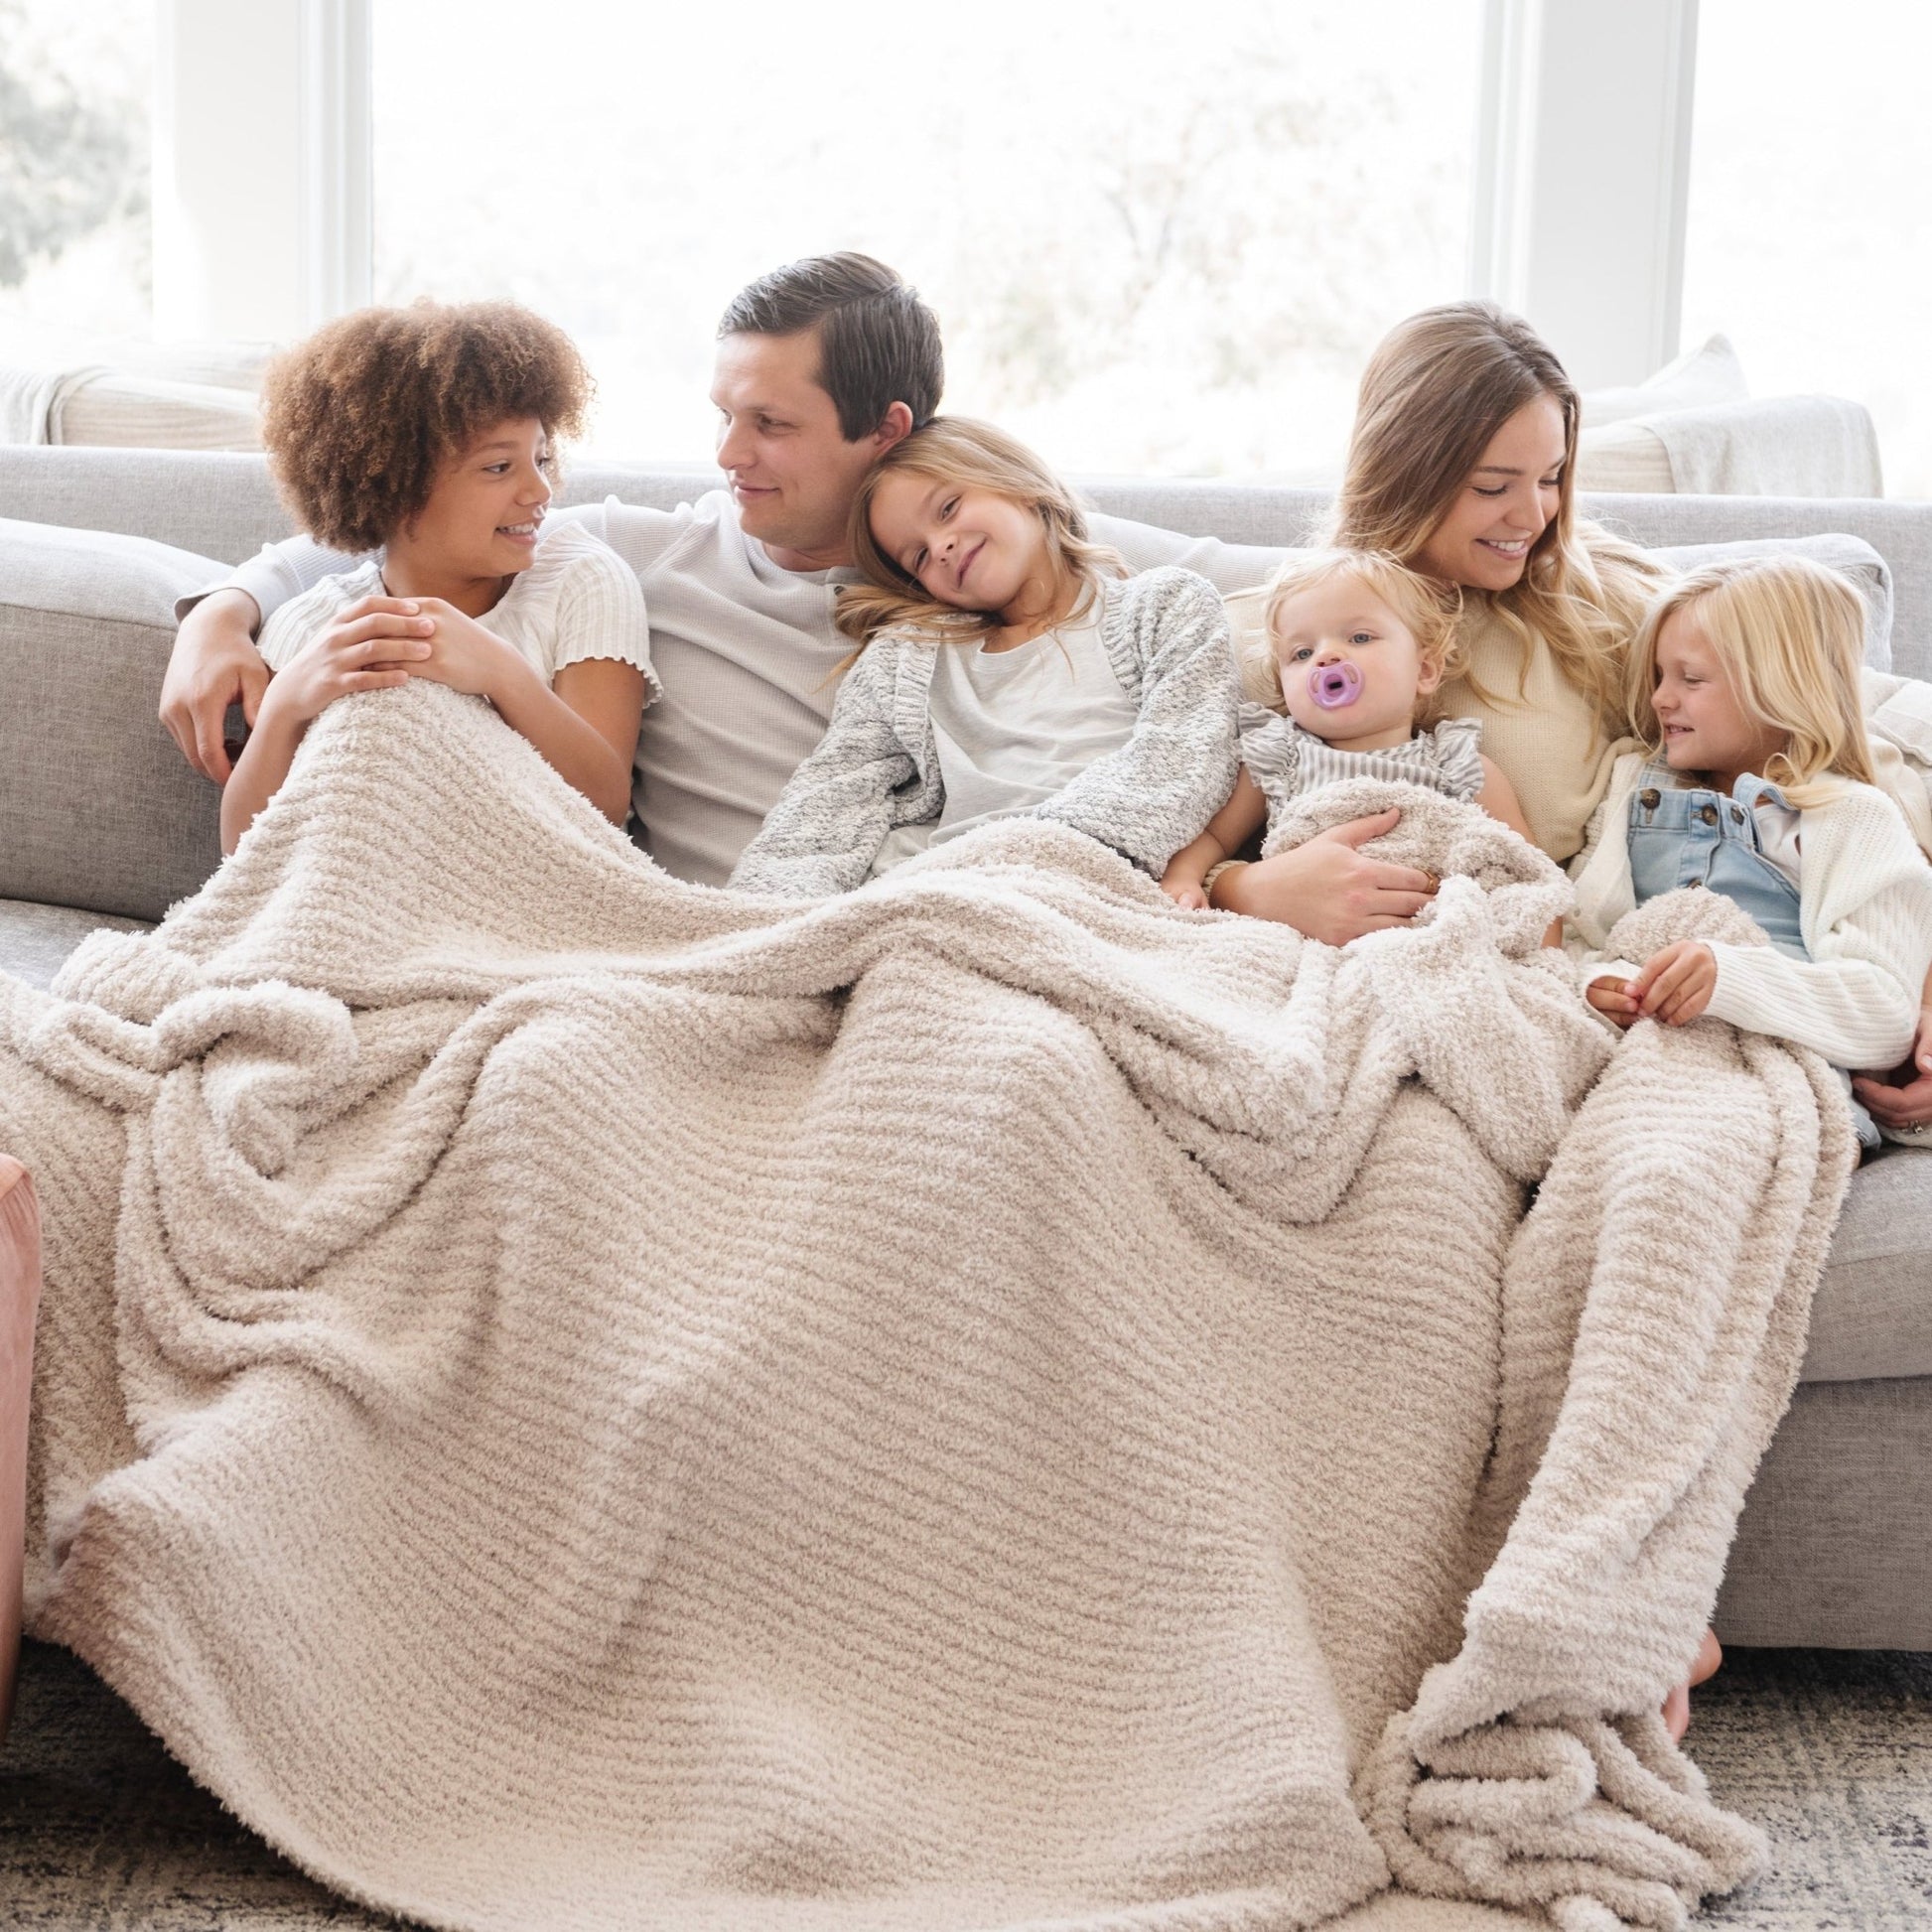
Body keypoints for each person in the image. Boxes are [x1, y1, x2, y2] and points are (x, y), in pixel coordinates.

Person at [163, 253, 1279, 890]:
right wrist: (222, 608)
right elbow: (413, 523)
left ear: (885, 431)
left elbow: (1300, 592)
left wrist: (1232, 877)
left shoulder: (999, 550)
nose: (726, 456)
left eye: (771, 424)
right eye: (723, 415)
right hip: (694, 938)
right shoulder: (641, 551)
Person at [1204, 299, 1932, 1133]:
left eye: (1551, 479)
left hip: (1542, 986)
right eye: (1492, 487)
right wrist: (1249, 889)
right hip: (1339, 981)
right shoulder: (1288, 632)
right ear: (1405, 468)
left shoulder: (1603, 602)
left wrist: (1925, 985)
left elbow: (1851, 737)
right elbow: (1161, 840)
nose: (1534, 516)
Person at [730, 418, 1236, 896]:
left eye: (947, 509)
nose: (942, 547)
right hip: (926, 888)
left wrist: (1041, 859)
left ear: (1015, 482)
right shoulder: (906, 658)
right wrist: (762, 914)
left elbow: (1186, 760)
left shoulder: (1165, 606)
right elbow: (830, 798)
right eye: (919, 556)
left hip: (1083, 881)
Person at [222, 301, 653, 853]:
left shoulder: (580, 583)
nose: (540, 492)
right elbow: (242, 858)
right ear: (394, 487)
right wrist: (285, 705)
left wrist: (501, 673)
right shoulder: (317, 625)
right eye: (499, 467)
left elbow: (604, 809)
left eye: (541, 460)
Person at [1572, 555, 1932, 1154]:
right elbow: (1587, 930)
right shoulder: (1631, 788)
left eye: (1691, 679)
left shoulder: (1849, 816)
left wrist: (1729, 979)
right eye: (1659, 676)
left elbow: (1883, 1011)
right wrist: (1602, 985)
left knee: (1675, 1162)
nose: (1661, 698)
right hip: (1636, 1064)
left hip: (1773, 1080)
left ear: (1778, 689)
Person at [1159, 548, 1539, 910]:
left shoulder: (1459, 767)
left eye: (1359, 638)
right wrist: (1183, 876)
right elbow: (1215, 838)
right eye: (1302, 653)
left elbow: (1525, 872)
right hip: (1300, 928)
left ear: (1424, 670)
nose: (1326, 657)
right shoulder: (1279, 759)